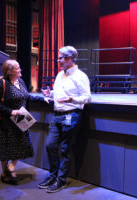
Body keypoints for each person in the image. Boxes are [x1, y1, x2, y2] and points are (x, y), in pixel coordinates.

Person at [38, 46, 92, 193]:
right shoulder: (60, 75)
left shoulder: (81, 76)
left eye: (61, 58)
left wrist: (72, 99)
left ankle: (60, 180)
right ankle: (53, 175)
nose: (58, 60)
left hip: (72, 115)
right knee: (50, 146)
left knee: (65, 149)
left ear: (69, 59)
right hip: (57, 115)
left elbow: (87, 97)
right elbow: (60, 93)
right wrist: (50, 94)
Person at [0, 59, 45, 185]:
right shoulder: (1, 83)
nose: (20, 70)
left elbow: (27, 96)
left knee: (23, 145)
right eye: (17, 68)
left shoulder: (20, 81)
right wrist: (11, 111)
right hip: (6, 120)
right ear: (9, 71)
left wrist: (43, 97)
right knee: (5, 148)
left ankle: (11, 168)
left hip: (22, 118)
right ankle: (5, 173)